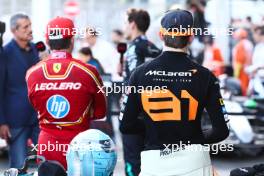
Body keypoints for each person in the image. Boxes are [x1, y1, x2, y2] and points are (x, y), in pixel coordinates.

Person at [120, 9, 229, 176]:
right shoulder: (206, 76)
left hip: (154, 164)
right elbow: (221, 130)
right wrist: (195, 137)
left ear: (161, 35)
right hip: (195, 162)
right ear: (191, 37)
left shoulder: (139, 74)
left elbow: (126, 125)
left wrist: (153, 129)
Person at [26, 17, 106, 169]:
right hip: (80, 146)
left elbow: (35, 106)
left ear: (47, 41)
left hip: (46, 147)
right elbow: (100, 112)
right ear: (72, 40)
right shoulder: (89, 71)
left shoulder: (32, 73)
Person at [120, 8, 161, 176]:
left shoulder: (133, 49)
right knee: (153, 164)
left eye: (125, 24)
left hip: (135, 115)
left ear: (132, 24)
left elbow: (134, 81)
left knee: (133, 163)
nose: (124, 28)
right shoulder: (155, 48)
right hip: (156, 115)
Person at [0, 13, 39, 168]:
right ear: (14, 30)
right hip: (15, 121)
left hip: (39, 117)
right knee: (19, 165)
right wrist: (2, 121)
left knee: (47, 163)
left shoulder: (38, 50)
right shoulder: (5, 53)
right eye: (25, 27)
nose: (30, 30)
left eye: (30, 25)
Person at [232, 28, 253, 95]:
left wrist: (236, 75)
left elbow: (239, 61)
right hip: (249, 70)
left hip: (242, 71)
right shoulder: (249, 43)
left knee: (243, 89)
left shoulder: (240, 45)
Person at [246, 26, 264, 96]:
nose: (253, 36)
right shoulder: (257, 47)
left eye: (254, 34)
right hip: (257, 82)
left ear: (259, 33)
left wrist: (258, 67)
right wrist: (250, 86)